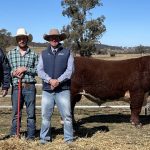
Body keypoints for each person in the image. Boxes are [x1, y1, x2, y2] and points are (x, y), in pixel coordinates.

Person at [37, 28, 74, 144]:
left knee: (67, 116)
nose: (54, 39)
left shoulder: (67, 52)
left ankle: (68, 139)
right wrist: (50, 80)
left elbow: (70, 71)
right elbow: (40, 70)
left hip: (63, 89)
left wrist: (58, 81)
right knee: (45, 116)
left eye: (56, 37)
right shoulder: (43, 53)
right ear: (48, 39)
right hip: (48, 90)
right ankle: (44, 139)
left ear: (59, 39)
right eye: (51, 37)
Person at [7, 28, 39, 140]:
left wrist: (25, 69)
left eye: (23, 38)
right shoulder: (10, 54)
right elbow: (7, 70)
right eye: (19, 38)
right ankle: (14, 136)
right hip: (16, 87)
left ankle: (30, 137)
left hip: (29, 86)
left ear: (27, 39)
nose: (22, 40)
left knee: (31, 114)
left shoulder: (34, 54)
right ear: (17, 40)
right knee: (16, 113)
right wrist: (13, 72)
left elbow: (38, 70)